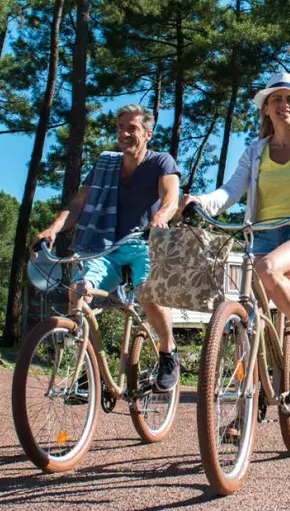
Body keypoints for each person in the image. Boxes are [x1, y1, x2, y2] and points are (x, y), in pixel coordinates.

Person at [180, 72, 290, 374]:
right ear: (266, 109)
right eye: (277, 99)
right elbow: (230, 191)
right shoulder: (255, 152)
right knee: (251, 319)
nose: (285, 104)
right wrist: (201, 202)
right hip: (262, 236)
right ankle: (248, 405)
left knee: (269, 269)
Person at [34, 104, 182, 391]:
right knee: (78, 290)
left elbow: (171, 196)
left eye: (133, 128)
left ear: (148, 134)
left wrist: (161, 216)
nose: (125, 133)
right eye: (120, 127)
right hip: (105, 246)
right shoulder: (105, 164)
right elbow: (79, 204)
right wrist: (53, 228)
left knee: (146, 291)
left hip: (142, 242)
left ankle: (168, 352)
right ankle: (87, 369)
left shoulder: (161, 161)